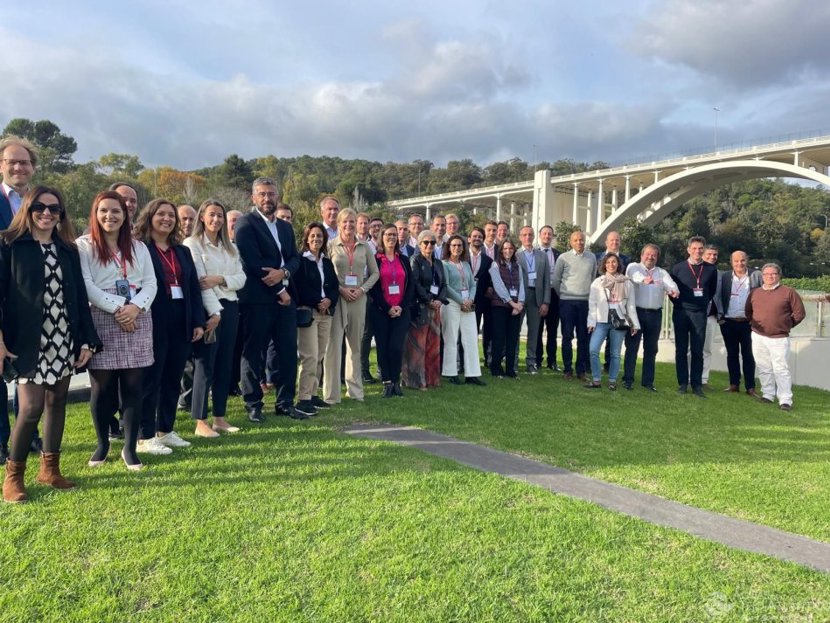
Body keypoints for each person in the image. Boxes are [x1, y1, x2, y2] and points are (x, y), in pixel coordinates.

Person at [0, 187, 101, 503]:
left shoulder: (68, 250)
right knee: (30, 407)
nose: (47, 214)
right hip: (28, 340)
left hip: (64, 335)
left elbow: (79, 300)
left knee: (57, 401)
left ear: (61, 215)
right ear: (28, 209)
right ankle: (13, 476)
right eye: (40, 207)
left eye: (54, 209)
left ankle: (50, 469)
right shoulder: (9, 245)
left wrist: (87, 339)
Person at [77, 191, 158, 470]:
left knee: (134, 386)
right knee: (102, 387)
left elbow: (150, 283)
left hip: (137, 316)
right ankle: (103, 443)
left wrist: (134, 308)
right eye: (104, 211)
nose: (110, 216)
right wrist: (117, 308)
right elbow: (86, 285)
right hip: (101, 317)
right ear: (95, 214)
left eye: (116, 211)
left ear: (125, 215)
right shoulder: (84, 245)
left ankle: (130, 447)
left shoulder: (138, 247)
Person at [135, 199, 205, 453]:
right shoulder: (141, 248)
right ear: (150, 216)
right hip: (153, 320)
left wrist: (198, 321)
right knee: (151, 379)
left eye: (171, 215)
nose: (167, 219)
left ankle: (166, 429)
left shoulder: (181, 251)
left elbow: (193, 288)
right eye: (161, 214)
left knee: (173, 378)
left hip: (181, 320)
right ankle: (145, 435)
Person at [235, 178, 305, 420]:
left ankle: (285, 402)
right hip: (258, 300)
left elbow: (294, 258)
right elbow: (252, 263)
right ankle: (253, 403)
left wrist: (284, 273)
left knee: (287, 352)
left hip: (286, 301)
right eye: (262, 194)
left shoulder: (285, 227)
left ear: (278, 196)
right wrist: (279, 290)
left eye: (271, 194)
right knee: (253, 353)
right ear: (253, 198)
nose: (267, 199)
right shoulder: (245, 224)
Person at [184, 199, 247, 437]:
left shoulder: (230, 247)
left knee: (224, 364)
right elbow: (201, 282)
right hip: (209, 311)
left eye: (220, 215)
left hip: (231, 308)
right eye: (212, 215)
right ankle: (200, 421)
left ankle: (219, 417)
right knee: (205, 365)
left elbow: (241, 278)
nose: (216, 220)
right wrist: (214, 313)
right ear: (202, 217)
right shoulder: (193, 244)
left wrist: (220, 279)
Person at [0, 136, 44, 457]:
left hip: (31, 301)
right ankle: (1, 440)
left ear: (33, 167)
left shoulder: (43, 202)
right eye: (12, 161)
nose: (18, 166)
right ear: (1, 165)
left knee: (29, 370)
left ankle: (26, 433)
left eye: (24, 162)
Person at [324, 208, 379, 404]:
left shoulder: (365, 247)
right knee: (333, 346)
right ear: (338, 224)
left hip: (358, 299)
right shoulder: (330, 245)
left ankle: (355, 391)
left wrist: (362, 289)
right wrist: (340, 289)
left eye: (352, 222)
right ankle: (331, 394)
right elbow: (326, 274)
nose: (349, 225)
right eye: (345, 222)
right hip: (338, 299)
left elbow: (375, 273)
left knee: (354, 346)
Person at [745, 263, 806, 411]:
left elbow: (799, 313)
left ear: (779, 275)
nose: (769, 277)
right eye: (766, 274)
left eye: (773, 274)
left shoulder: (788, 292)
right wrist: (754, 324)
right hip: (759, 336)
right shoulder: (755, 293)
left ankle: (785, 399)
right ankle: (767, 394)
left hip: (779, 337)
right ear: (762, 276)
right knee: (764, 367)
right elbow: (748, 311)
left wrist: (786, 325)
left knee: (781, 368)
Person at [295, 223, 339, 415]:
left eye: (319, 236)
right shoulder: (301, 261)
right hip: (309, 313)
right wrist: (318, 301)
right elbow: (300, 288)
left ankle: (313, 394)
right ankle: (303, 399)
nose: (316, 239)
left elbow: (334, 286)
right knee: (309, 356)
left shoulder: (327, 262)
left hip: (325, 314)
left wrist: (329, 300)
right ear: (306, 238)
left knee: (320, 355)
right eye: (312, 236)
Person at [622, 244, 679, 391]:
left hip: (655, 314)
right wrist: (644, 279)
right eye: (647, 254)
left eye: (653, 255)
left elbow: (671, 284)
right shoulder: (633, 267)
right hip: (637, 313)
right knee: (632, 347)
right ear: (642, 256)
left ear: (657, 257)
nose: (650, 257)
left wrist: (673, 291)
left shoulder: (661, 272)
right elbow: (635, 276)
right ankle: (627, 379)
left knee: (651, 349)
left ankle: (648, 382)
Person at [368, 225, 415, 397]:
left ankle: (396, 381)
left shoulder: (403, 259)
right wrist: (388, 308)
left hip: (401, 311)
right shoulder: (375, 259)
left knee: (396, 347)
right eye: (388, 234)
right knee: (383, 347)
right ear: (382, 236)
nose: (392, 237)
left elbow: (410, 286)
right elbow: (373, 288)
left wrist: (401, 306)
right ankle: (387, 382)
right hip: (381, 311)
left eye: (395, 235)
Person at [670, 236, 718, 397]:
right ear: (688, 249)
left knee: (698, 350)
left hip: (699, 313)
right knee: (681, 349)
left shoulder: (711, 269)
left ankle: (697, 384)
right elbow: (672, 292)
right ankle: (683, 383)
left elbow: (711, 291)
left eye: (700, 249)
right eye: (694, 248)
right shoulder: (677, 268)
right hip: (681, 312)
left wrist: (701, 303)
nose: (697, 251)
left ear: (703, 250)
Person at [585, 253, 639, 390]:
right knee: (593, 349)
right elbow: (592, 303)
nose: (611, 264)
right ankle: (596, 379)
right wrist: (591, 322)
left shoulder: (626, 282)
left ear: (618, 264)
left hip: (619, 321)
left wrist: (634, 324)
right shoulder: (598, 282)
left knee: (615, 353)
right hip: (601, 321)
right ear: (604, 265)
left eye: (614, 262)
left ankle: (612, 381)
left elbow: (631, 305)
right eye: (608, 262)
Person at [403, 231, 448, 390]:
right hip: (421, 308)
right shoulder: (414, 260)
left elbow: (444, 285)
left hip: (435, 309)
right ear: (419, 244)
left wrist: (439, 300)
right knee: (418, 347)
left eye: (432, 243)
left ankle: (432, 379)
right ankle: (416, 381)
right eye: (426, 242)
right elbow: (415, 283)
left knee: (433, 346)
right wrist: (429, 300)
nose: (429, 245)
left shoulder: (438, 263)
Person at [715, 250, 762, 396]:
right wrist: (720, 318)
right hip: (728, 322)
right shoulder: (725, 276)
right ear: (731, 262)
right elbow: (718, 296)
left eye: (742, 260)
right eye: (736, 261)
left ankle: (750, 387)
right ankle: (734, 384)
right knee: (732, 354)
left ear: (747, 260)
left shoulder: (755, 275)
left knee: (748, 355)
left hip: (748, 323)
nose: (739, 263)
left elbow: (763, 296)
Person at [552, 230, 596, 380]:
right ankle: (567, 370)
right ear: (570, 242)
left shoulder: (592, 257)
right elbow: (556, 281)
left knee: (583, 338)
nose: (579, 243)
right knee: (567, 337)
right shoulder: (563, 258)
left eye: (582, 240)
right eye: (576, 240)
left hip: (585, 303)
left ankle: (581, 371)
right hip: (567, 302)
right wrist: (564, 295)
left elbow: (592, 278)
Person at [441, 235, 485, 385]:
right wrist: (461, 301)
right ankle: (450, 372)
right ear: (448, 247)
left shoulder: (465, 264)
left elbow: (473, 284)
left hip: (468, 304)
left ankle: (472, 374)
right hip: (451, 304)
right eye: (453, 245)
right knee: (451, 338)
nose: (457, 248)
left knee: (471, 338)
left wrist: (470, 300)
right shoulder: (444, 264)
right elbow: (446, 286)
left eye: (459, 245)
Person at [488, 239, 525, 378]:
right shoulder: (495, 265)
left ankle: (510, 370)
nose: (508, 251)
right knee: (499, 338)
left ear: (514, 250)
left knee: (512, 339)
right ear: (501, 250)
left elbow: (522, 285)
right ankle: (496, 368)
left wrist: (520, 303)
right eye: (505, 248)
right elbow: (499, 286)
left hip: (516, 308)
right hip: (500, 306)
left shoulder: (517, 265)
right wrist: (512, 303)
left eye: (510, 248)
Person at [517, 226, 550, 374]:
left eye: (530, 234)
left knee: (534, 332)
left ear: (534, 236)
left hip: (536, 297)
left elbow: (546, 280)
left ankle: (531, 362)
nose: (527, 237)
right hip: (519, 297)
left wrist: (546, 302)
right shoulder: (515, 254)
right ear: (520, 237)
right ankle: (514, 360)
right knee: (515, 330)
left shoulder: (542, 256)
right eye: (524, 235)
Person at [468, 227, 494, 367]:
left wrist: (489, 287)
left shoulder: (488, 260)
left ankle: (487, 359)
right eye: (474, 236)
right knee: (469, 330)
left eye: (479, 237)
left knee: (485, 330)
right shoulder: (463, 257)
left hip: (483, 298)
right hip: (466, 299)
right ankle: (467, 360)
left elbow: (491, 278)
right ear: (469, 238)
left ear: (482, 240)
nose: (477, 239)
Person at [536, 225, 561, 371]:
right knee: (537, 329)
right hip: (539, 294)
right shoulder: (534, 253)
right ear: (540, 235)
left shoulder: (558, 254)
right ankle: (537, 360)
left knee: (552, 330)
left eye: (550, 234)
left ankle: (552, 361)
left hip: (554, 294)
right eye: (544, 233)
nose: (547, 236)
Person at [699, 244, 720, 386]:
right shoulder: (694, 270)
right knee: (691, 348)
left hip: (710, 317)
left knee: (706, 349)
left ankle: (703, 378)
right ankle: (689, 376)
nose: (712, 257)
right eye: (709, 254)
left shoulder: (719, 274)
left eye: (715, 255)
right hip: (694, 315)